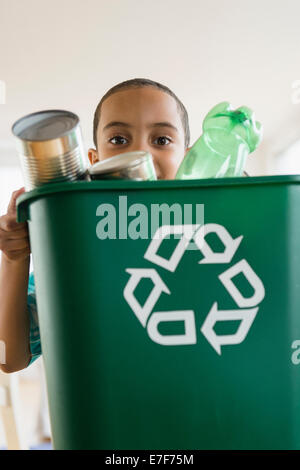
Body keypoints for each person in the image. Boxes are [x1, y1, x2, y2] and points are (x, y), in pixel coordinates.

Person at [0, 78, 191, 373]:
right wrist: (14, 258)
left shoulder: (206, 235)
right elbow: (8, 357)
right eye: (118, 140)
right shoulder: (78, 254)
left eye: (162, 140)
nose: (139, 153)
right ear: (93, 160)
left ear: (188, 160)